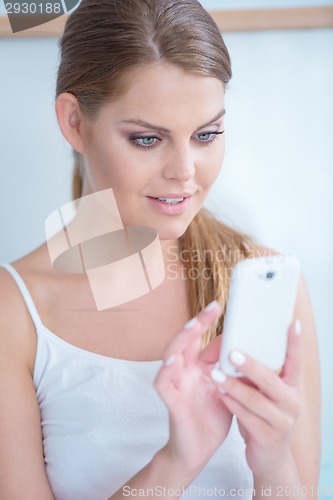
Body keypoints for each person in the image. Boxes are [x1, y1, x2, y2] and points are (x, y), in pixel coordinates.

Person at [0, 0, 321, 499]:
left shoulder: (267, 282)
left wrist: (275, 464)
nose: (186, 172)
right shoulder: (14, 314)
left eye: (207, 134)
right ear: (73, 123)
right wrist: (176, 462)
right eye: (148, 140)